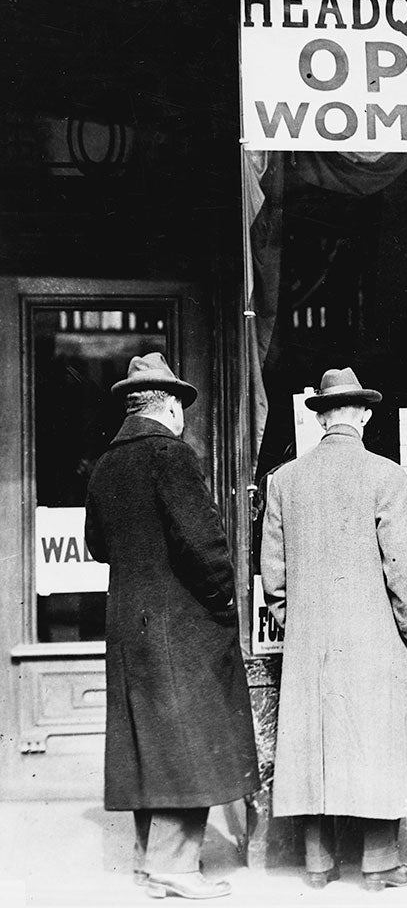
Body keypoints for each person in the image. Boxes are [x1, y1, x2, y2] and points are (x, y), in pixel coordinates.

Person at [84, 353, 259, 900]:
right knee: (190, 742)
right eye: (181, 407)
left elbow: (96, 545)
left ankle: (149, 862)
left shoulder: (107, 464)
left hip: (128, 623)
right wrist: (222, 602)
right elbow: (205, 548)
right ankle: (176, 869)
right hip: (180, 626)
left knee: (147, 744)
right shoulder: (171, 455)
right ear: (170, 407)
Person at [260, 367, 407, 892]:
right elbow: (402, 566)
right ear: (365, 415)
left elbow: (273, 574)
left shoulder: (284, 480)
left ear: (321, 418)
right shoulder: (387, 475)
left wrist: (297, 623)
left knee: (314, 747)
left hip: (311, 640)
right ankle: (378, 865)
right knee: (375, 743)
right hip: (374, 637)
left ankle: (318, 864)